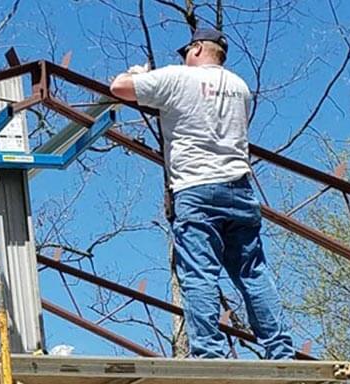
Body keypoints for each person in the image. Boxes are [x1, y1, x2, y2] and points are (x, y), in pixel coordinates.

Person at [109, 28, 295, 359]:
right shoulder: (240, 87)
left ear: (196, 48)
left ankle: (210, 352)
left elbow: (119, 88)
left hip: (197, 189)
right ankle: (280, 350)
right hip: (240, 189)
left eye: (185, 53)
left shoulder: (177, 78)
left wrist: (138, 74)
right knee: (253, 273)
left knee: (199, 273)